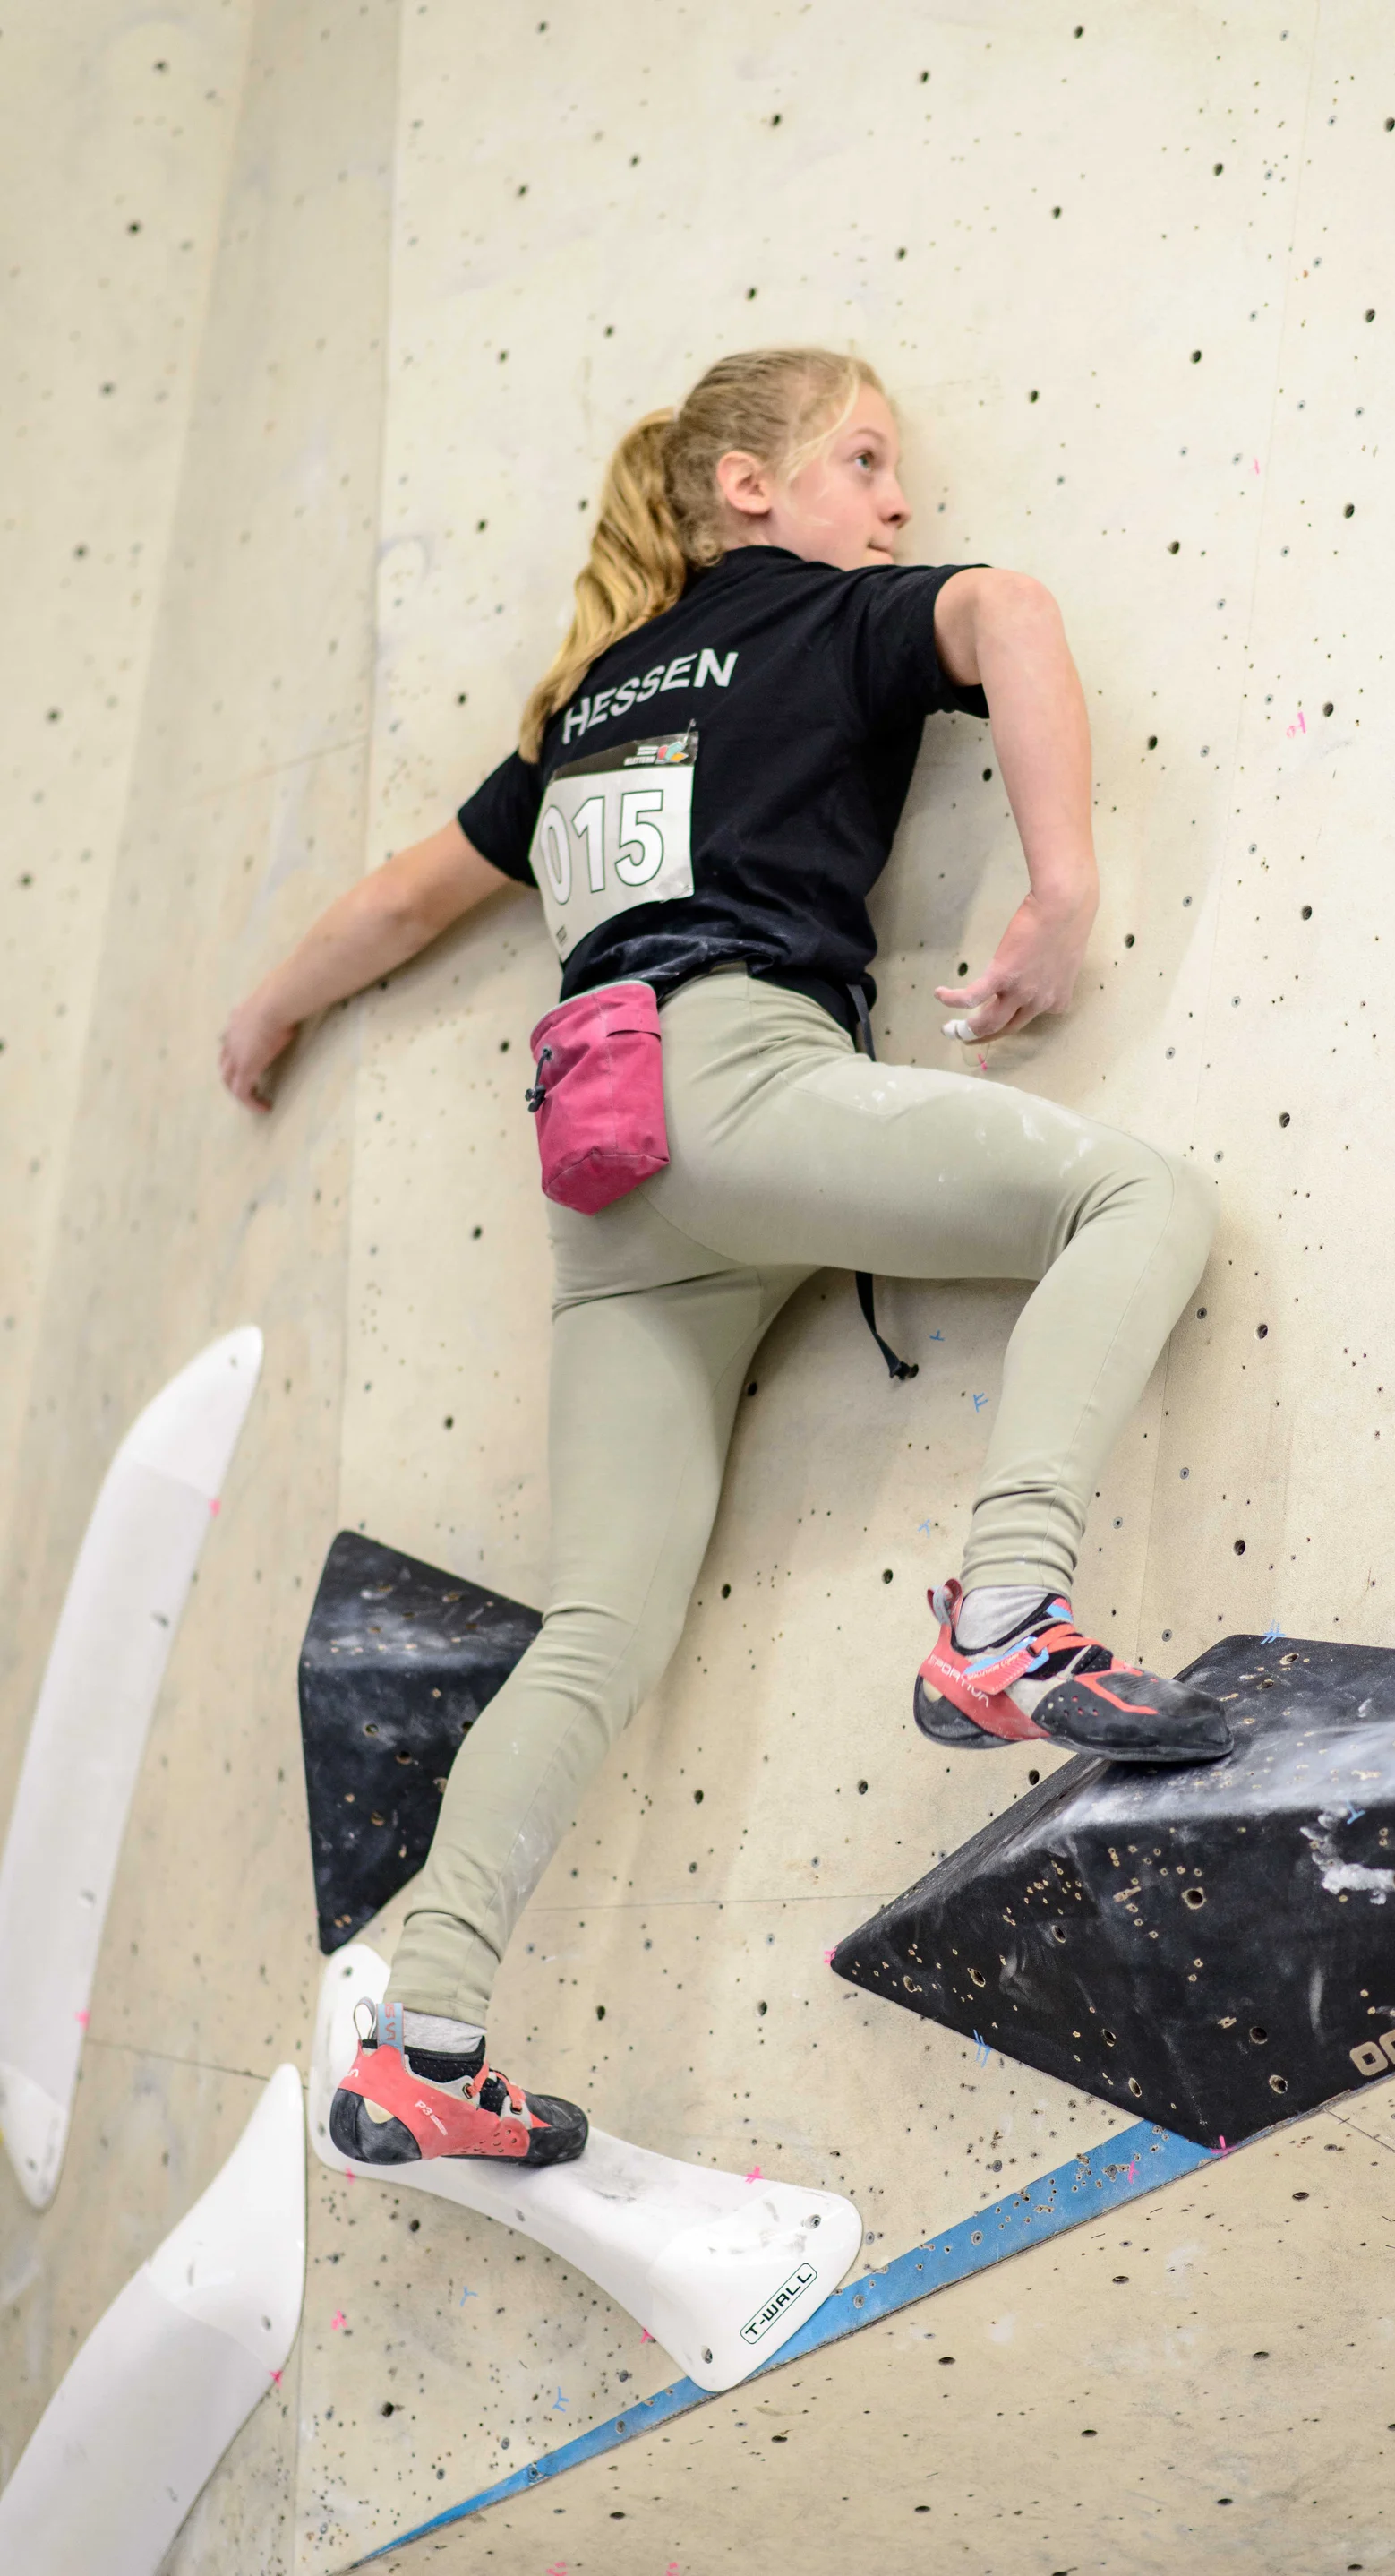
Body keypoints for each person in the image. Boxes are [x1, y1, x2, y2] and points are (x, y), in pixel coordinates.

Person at [220, 347, 1227, 2170]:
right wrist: (1060, 892)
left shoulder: (586, 702)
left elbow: (393, 907)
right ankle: (1007, 1618)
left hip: (603, 1171)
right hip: (739, 1083)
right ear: (751, 490)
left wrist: (261, 1020)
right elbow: (1014, 612)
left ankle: (422, 2036)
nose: (899, 503)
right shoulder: (817, 616)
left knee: (600, 1621)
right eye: (865, 459)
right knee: (1136, 1200)